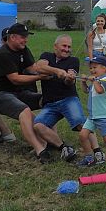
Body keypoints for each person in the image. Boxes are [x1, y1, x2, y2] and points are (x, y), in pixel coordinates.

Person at [0, 23, 51, 162]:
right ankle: (40, 149)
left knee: (49, 100)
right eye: (22, 37)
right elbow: (15, 79)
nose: (25, 40)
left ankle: (51, 139)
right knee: (24, 111)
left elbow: (33, 68)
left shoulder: (23, 49)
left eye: (26, 37)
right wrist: (39, 77)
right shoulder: (3, 54)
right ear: (12, 37)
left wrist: (53, 70)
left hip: (17, 93)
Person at [32, 35, 90, 163]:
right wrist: (57, 71)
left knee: (80, 123)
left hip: (68, 99)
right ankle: (64, 148)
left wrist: (69, 78)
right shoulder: (47, 56)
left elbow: (70, 80)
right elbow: (39, 67)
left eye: (69, 47)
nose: (67, 49)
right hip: (50, 104)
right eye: (64, 46)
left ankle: (95, 151)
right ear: (55, 46)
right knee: (38, 125)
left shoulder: (74, 60)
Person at [77, 56, 106, 169]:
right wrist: (84, 82)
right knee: (83, 135)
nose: (92, 70)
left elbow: (100, 90)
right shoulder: (96, 79)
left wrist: (95, 81)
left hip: (103, 116)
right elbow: (86, 91)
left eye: (95, 67)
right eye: (91, 68)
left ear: (103, 68)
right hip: (92, 116)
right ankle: (88, 158)